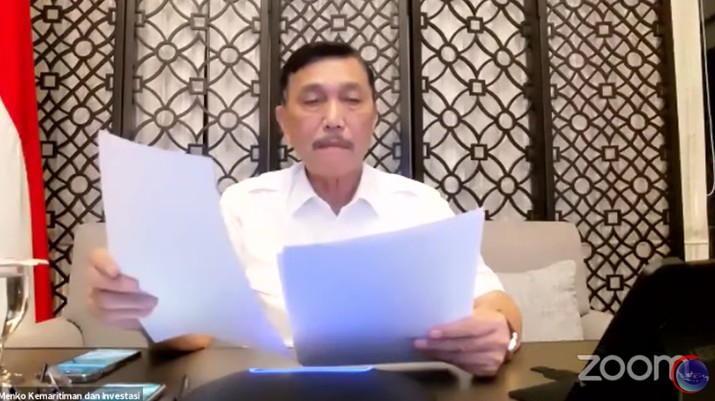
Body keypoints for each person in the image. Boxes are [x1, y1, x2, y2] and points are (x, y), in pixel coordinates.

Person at [87, 41, 523, 377]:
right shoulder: (243, 204)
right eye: (312, 101)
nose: (333, 118)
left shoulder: (420, 203)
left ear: (373, 116)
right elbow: (194, 333)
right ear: (284, 121)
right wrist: (148, 306)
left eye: (352, 100)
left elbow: (495, 301)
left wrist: (501, 332)